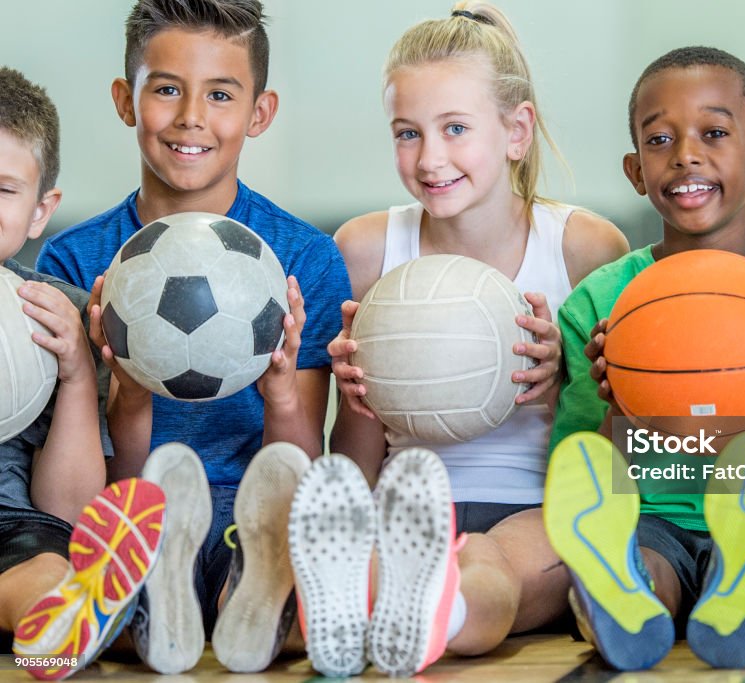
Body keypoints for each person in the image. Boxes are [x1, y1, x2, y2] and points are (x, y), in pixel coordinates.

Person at [307, 3, 629, 677]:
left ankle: (437, 613)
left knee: (492, 570)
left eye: (456, 128)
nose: (430, 158)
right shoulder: (367, 249)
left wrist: (569, 376)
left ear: (516, 131)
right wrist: (360, 397)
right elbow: (359, 462)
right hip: (402, 503)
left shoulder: (583, 250)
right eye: (407, 132)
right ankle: (362, 596)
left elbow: (621, 448)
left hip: (536, 505)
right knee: (367, 547)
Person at [34, 0, 350, 674]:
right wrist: (127, 394)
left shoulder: (305, 257)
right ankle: (154, 596)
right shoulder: (71, 264)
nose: (191, 118)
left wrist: (281, 397)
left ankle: (233, 598)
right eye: (167, 88)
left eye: (221, 94)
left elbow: (295, 464)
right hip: (126, 507)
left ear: (259, 113)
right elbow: (84, 487)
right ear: (127, 99)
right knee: (74, 578)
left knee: (308, 598)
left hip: (253, 514)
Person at [545, 46, 745, 670]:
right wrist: (618, 406)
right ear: (636, 171)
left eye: (714, 133)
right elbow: (592, 483)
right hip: (649, 522)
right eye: (660, 139)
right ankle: (629, 591)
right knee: (643, 562)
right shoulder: (600, 307)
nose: (686, 153)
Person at [0, 66, 167, 681]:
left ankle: (59, 629)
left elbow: (68, 509)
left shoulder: (63, 313)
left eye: (3, 190)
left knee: (50, 570)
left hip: (15, 532)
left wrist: (74, 374)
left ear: (41, 211)